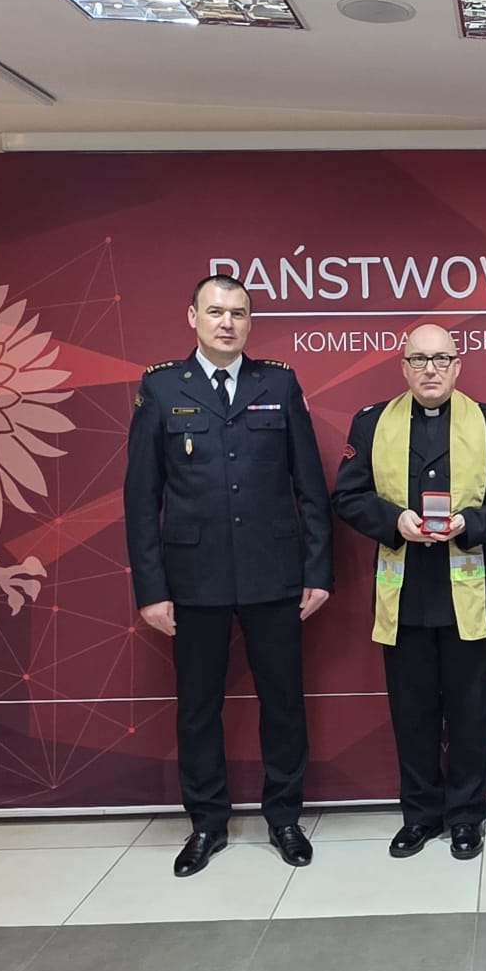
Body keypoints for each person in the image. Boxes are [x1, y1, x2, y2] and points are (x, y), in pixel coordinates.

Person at [124, 273, 332, 876]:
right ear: (192, 317)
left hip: (274, 572)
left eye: (238, 313)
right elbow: (141, 497)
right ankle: (207, 824)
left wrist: (318, 569)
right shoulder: (162, 387)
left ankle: (285, 818)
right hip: (194, 577)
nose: (227, 323)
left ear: (249, 322)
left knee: (283, 702)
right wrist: (152, 589)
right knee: (198, 707)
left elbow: (309, 485)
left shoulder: (279, 382)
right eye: (215, 312)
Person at [333, 323, 486, 859]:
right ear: (403, 367)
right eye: (419, 359)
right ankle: (420, 816)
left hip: (468, 591)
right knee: (412, 714)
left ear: (458, 365)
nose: (430, 369)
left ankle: (466, 817)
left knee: (469, 714)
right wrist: (392, 521)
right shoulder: (372, 423)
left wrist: (470, 523)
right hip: (403, 593)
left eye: (441, 358)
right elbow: (347, 497)